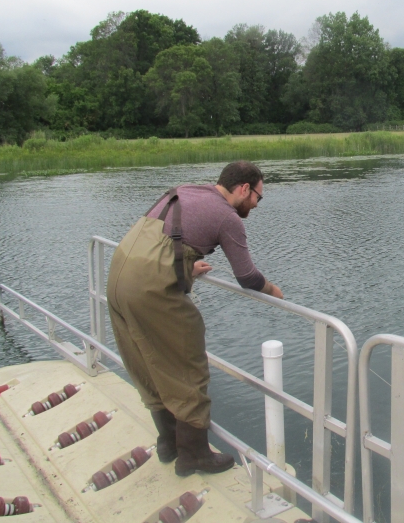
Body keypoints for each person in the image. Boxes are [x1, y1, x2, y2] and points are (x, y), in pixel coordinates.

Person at [106, 161, 283, 477]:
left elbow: (164, 241)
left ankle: (169, 443)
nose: (256, 204)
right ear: (244, 188)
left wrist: (186, 267)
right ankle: (194, 455)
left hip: (120, 274)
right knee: (187, 363)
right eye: (258, 196)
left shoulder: (189, 191)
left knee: (147, 360)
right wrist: (274, 291)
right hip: (147, 285)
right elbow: (247, 277)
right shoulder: (227, 217)